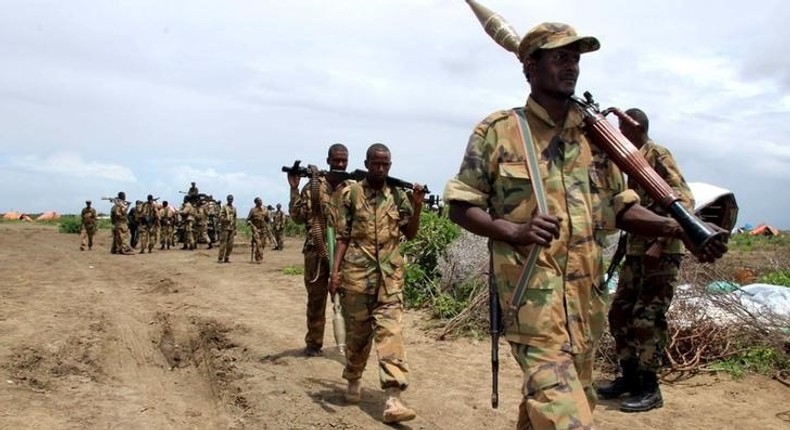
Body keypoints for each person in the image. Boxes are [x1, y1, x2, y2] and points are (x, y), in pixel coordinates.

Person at [443, 20, 727, 429]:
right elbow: (460, 205)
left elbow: (621, 209)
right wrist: (515, 231)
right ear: (530, 67)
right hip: (532, 306)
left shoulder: (596, 140)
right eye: (559, 57)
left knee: (565, 403)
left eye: (575, 58)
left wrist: (679, 228)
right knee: (568, 418)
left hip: (585, 307)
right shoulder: (500, 131)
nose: (571, 66)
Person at [596, 108, 695, 412]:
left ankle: (650, 388)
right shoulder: (628, 161)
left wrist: (661, 240)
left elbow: (685, 200)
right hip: (636, 252)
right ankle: (629, 378)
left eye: (623, 126)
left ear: (636, 126)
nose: (619, 131)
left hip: (662, 253)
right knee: (620, 314)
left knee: (647, 318)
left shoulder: (657, 154)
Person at [329, 143, 425, 424]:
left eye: (385, 165)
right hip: (357, 277)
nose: (380, 169)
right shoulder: (351, 193)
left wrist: (417, 207)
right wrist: (335, 274)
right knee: (358, 338)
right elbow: (343, 237)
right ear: (367, 163)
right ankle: (354, 376)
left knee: (391, 333)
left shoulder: (398, 195)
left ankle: (393, 398)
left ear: (390, 166)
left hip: (390, 278)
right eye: (376, 164)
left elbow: (411, 233)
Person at [288, 143, 349, 357]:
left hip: (345, 254)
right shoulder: (314, 186)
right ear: (328, 161)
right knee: (316, 299)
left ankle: (350, 344)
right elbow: (297, 217)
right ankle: (314, 343)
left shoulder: (352, 188)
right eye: (336, 160)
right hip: (317, 250)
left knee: (349, 300)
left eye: (344, 161)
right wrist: (294, 188)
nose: (340, 164)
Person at [246, 197, 270, 264]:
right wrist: (249, 223)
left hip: (263, 230)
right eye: (259, 201)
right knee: (258, 244)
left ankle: (257, 256)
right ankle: (259, 258)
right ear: (256, 202)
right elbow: (248, 219)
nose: (261, 202)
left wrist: (267, 225)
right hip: (256, 230)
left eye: (261, 200)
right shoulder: (253, 210)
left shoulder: (265, 210)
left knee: (262, 244)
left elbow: (268, 219)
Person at [217, 194, 237, 263]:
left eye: (231, 199)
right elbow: (220, 216)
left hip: (231, 228)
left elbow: (235, 218)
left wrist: (235, 228)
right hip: (225, 228)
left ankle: (227, 257)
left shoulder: (234, 208)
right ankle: (220, 258)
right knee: (223, 243)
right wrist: (226, 219)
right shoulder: (224, 207)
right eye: (229, 199)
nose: (230, 200)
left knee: (230, 244)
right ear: (227, 199)